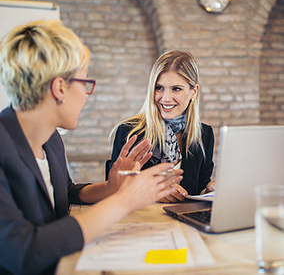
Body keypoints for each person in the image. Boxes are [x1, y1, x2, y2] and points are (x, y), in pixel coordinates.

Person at [0, 20, 183, 275]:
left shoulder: (51, 139)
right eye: (85, 83)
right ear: (60, 88)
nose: (87, 93)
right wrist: (124, 200)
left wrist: (110, 188)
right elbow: (24, 253)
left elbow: (65, 192)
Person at [109, 50, 215, 203]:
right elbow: (113, 190)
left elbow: (198, 190)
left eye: (176, 89)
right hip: (142, 221)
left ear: (194, 92)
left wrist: (208, 191)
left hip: (184, 223)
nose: (165, 98)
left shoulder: (204, 135)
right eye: (159, 88)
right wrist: (153, 192)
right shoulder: (129, 132)